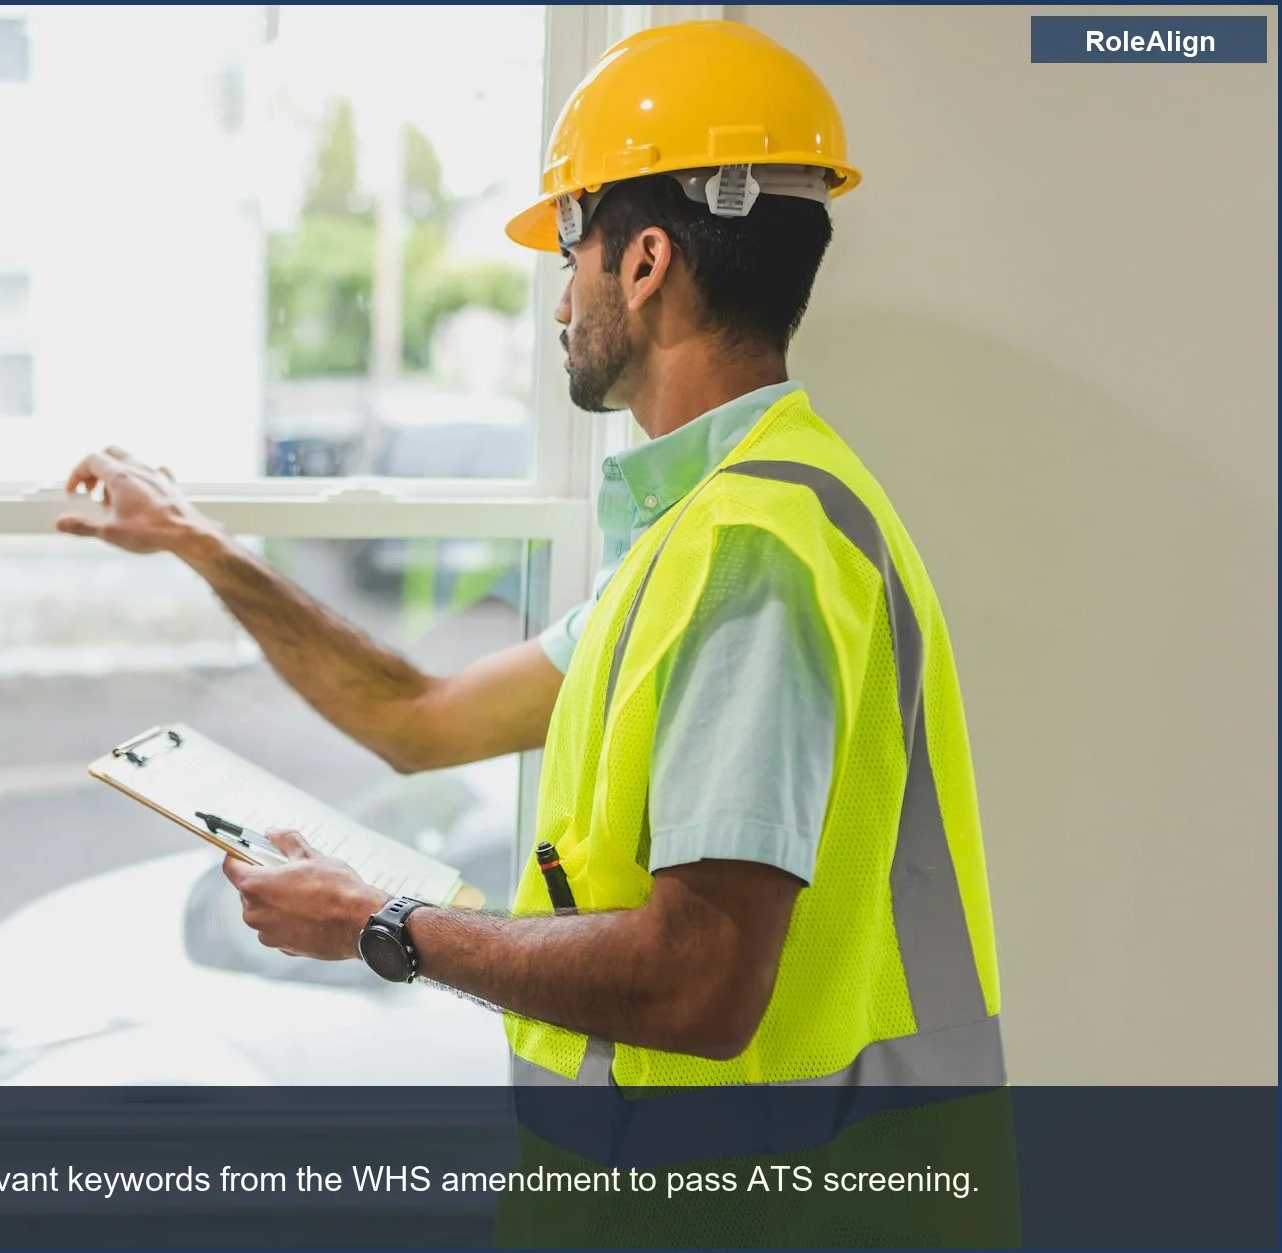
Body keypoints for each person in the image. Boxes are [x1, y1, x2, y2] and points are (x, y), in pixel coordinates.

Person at [57, 20, 1003, 1095]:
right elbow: (419, 719)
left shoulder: (749, 551)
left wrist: (380, 922)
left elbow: (700, 983)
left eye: (570, 253)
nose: (559, 300)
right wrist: (197, 541)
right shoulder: (712, 525)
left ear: (644, 261)